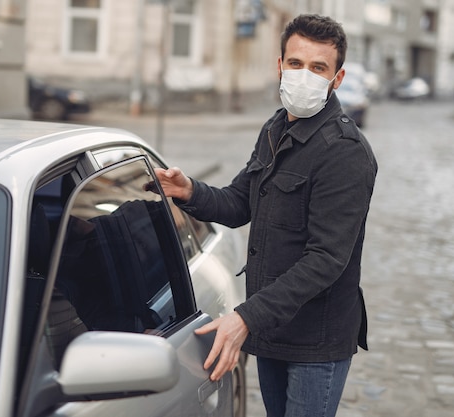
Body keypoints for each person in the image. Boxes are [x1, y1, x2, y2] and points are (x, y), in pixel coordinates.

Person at [154, 14, 377, 417]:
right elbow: (241, 203)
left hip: (315, 340)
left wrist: (245, 317)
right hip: (272, 327)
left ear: (337, 79)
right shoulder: (276, 129)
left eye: (318, 68)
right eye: (295, 64)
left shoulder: (345, 152)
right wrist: (189, 190)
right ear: (280, 66)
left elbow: (326, 259)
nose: (303, 75)